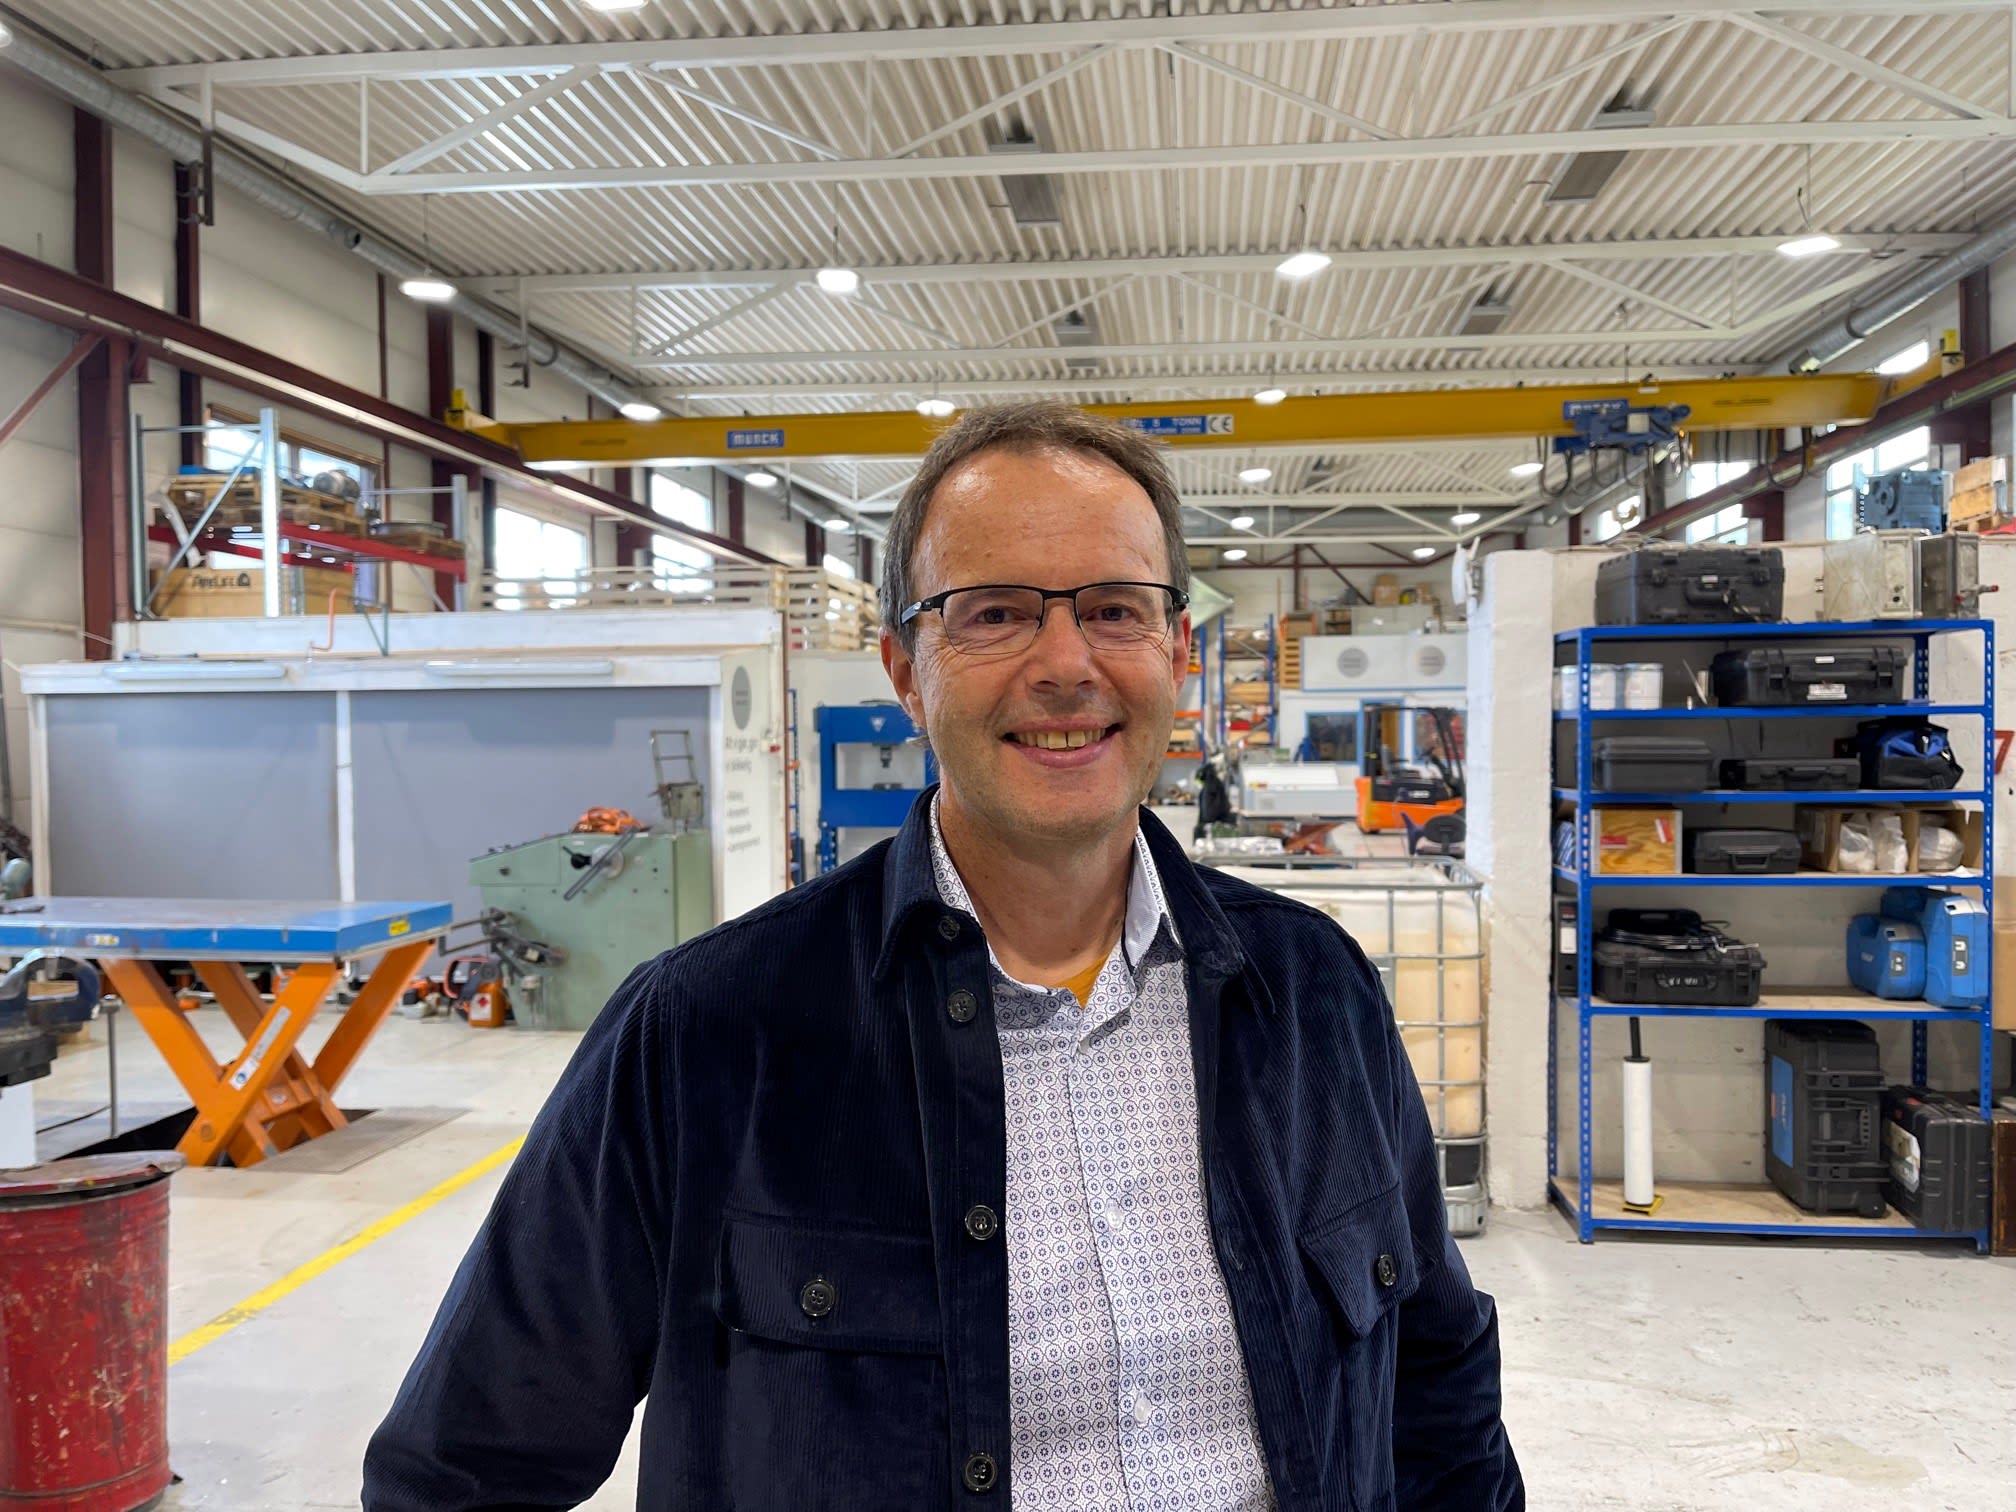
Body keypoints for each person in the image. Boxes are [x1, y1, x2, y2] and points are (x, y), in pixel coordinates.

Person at [363, 402, 1523, 1511]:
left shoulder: (1316, 993)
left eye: (1115, 610)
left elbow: (1437, 1381)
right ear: (905, 671)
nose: (1066, 663)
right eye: (996, 613)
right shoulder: (707, 1035)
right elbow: (459, 1472)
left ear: (1176, 651)